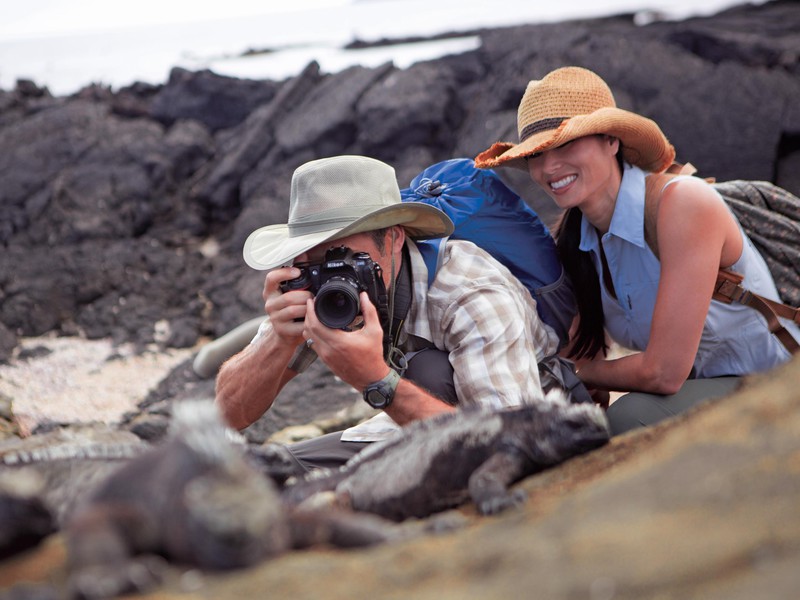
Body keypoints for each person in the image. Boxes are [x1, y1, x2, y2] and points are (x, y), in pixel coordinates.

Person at [475, 66, 800, 435]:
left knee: (628, 417)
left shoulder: (682, 205)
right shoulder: (574, 241)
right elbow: (582, 353)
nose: (549, 167)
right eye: (536, 154)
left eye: (566, 144)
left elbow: (663, 373)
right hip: (706, 388)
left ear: (611, 141)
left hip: (776, 380)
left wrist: (572, 374)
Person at [215, 155, 561, 470]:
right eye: (312, 259)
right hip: (411, 426)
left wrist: (376, 381)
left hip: (532, 423)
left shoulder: (469, 290)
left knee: (429, 369)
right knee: (268, 473)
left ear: (394, 238)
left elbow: (512, 445)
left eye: (344, 255)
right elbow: (229, 414)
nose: (334, 275)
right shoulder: (313, 288)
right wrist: (279, 339)